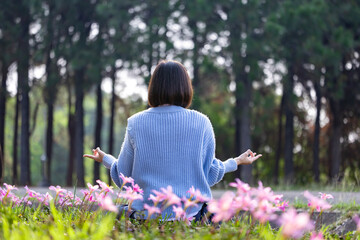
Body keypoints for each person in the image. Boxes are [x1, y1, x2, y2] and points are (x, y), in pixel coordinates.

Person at [83, 60, 261, 220]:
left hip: (145, 216)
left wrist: (105, 159)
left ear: (153, 87)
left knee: (113, 214)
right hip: (191, 215)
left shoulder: (135, 123)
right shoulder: (202, 122)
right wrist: (236, 162)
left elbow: (123, 177)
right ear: (186, 87)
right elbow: (209, 174)